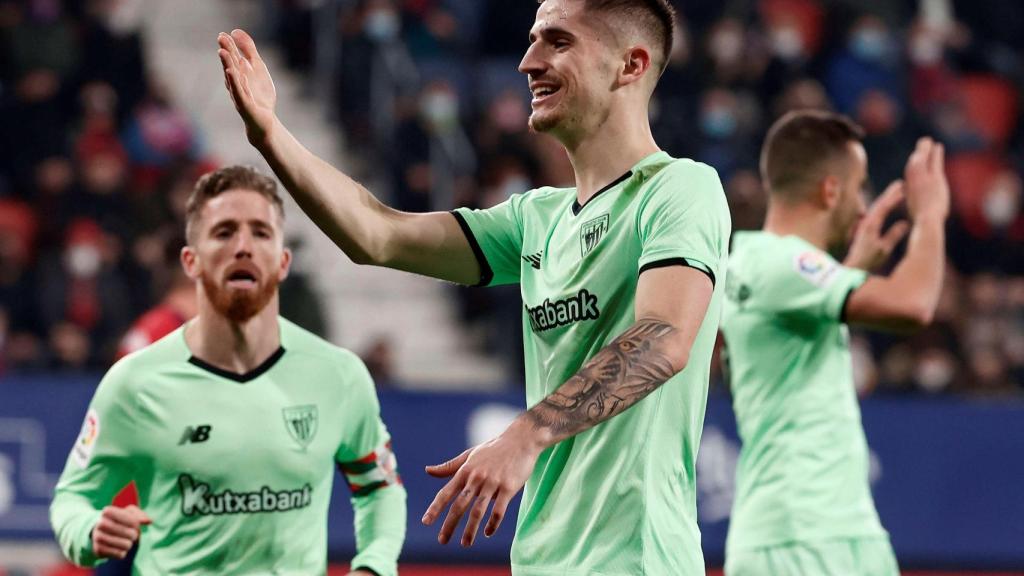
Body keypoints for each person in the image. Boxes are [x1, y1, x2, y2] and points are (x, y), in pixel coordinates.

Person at [217, 0, 731, 573]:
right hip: (541, 560)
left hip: (636, 559)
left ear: (630, 65)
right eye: (532, 40)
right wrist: (270, 134)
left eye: (558, 42)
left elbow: (663, 340)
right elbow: (377, 235)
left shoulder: (679, 189)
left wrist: (524, 436)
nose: (527, 62)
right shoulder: (536, 219)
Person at [49, 166, 406, 575]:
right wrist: (89, 531)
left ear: (283, 261)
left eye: (261, 232)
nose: (243, 247)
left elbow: (380, 488)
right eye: (224, 232)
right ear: (191, 261)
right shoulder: (135, 382)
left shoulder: (337, 375)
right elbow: (72, 498)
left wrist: (374, 565)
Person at [720, 110, 949, 575]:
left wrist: (852, 269)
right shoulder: (780, 263)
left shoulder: (757, 263)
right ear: (830, 190)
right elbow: (914, 305)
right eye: (859, 186)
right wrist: (930, 215)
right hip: (807, 537)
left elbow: (796, 339)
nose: (864, 206)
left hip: (821, 531)